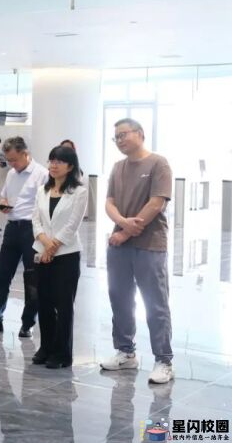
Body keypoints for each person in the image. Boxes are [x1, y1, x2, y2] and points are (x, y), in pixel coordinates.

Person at [100, 118, 174, 384]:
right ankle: (126, 351)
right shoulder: (117, 167)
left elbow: (156, 203)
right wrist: (122, 223)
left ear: (140, 134)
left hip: (149, 245)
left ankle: (164, 360)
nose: (119, 140)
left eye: (124, 135)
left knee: (155, 303)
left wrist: (125, 232)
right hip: (119, 245)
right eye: (116, 137)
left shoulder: (158, 163)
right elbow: (109, 202)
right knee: (119, 298)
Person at [0, 136, 48, 338]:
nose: (12, 165)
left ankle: (27, 323)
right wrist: (4, 204)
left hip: (32, 230)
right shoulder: (11, 174)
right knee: (2, 274)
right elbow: (5, 195)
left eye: (15, 160)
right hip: (12, 227)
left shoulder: (42, 174)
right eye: (9, 161)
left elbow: (45, 206)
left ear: (26, 154)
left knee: (31, 278)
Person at [31, 145, 88, 369]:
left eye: (59, 161)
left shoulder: (79, 192)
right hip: (41, 251)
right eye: (51, 161)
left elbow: (73, 224)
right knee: (43, 302)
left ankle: (62, 353)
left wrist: (52, 247)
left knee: (63, 305)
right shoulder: (42, 190)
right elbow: (35, 219)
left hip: (66, 254)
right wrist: (45, 244)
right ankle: (45, 347)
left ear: (70, 166)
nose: (53, 165)